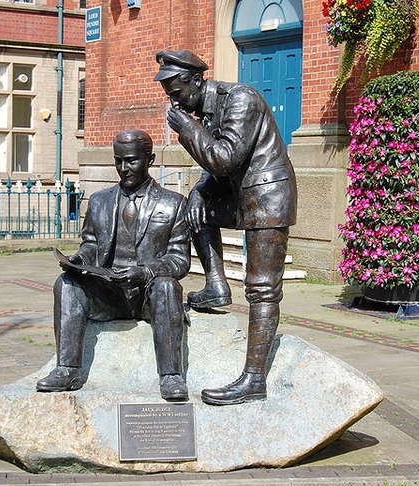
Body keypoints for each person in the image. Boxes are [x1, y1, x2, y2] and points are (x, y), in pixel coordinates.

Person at [154, 49, 297, 405]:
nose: (173, 98)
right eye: (168, 91)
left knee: (262, 288)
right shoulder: (204, 107)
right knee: (194, 207)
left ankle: (253, 379)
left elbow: (224, 157)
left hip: (267, 197)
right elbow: (219, 168)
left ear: (196, 80)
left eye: (176, 89)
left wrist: (189, 129)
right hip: (239, 194)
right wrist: (202, 189)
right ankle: (217, 286)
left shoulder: (241, 99)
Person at [36, 130, 190, 402]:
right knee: (67, 284)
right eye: (118, 161)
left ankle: (170, 375)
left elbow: (179, 260)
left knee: (167, 286)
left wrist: (145, 272)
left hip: (148, 295)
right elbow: (91, 244)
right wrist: (80, 260)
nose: (123, 168)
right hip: (108, 293)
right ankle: (67, 369)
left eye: (131, 161)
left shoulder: (174, 203)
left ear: (150, 160)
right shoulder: (99, 201)